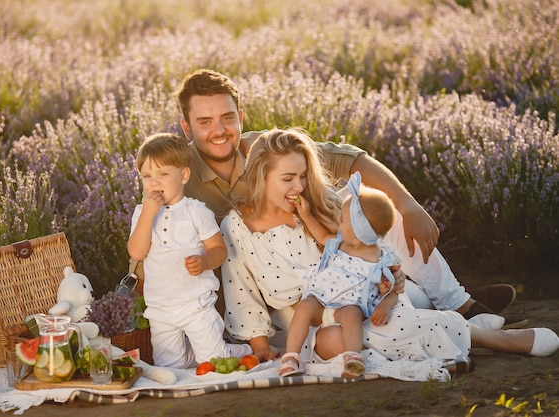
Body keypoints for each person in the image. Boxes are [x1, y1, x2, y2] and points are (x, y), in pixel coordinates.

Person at [173, 68, 525, 329]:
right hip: (274, 292)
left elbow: (352, 160)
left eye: (227, 118)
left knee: (371, 203)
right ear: (187, 127)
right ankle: (446, 310)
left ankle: (460, 304)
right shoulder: (179, 178)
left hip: (328, 262)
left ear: (240, 117)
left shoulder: (266, 149)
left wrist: (407, 204)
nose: (219, 130)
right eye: (205, 122)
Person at [219, 128, 558, 370]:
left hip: (374, 299)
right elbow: (240, 291)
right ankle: (461, 323)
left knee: (382, 313)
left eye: (304, 176)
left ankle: (485, 334)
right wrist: (260, 346)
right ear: (261, 176)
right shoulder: (237, 226)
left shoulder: (317, 204)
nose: (299, 187)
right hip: (310, 321)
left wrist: (383, 275)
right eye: (288, 179)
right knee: (336, 341)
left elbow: (370, 247)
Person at [127, 132, 252, 368]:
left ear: (184, 175)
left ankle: (239, 350)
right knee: (171, 365)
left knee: (213, 361)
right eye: (147, 176)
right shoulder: (141, 214)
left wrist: (204, 262)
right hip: (160, 308)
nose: (154, 182)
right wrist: (147, 214)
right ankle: (199, 354)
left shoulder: (196, 211)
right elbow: (137, 252)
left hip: (196, 304)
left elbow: (219, 250)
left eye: (163, 174)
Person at [281, 171, 400, 378]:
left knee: (352, 315)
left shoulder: (381, 261)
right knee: (304, 306)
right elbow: (321, 235)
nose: (338, 221)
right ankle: (292, 357)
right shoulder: (340, 245)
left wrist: (384, 305)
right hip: (322, 300)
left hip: (349, 305)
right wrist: (306, 215)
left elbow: (392, 291)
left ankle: (352, 358)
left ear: (358, 231)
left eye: (343, 220)